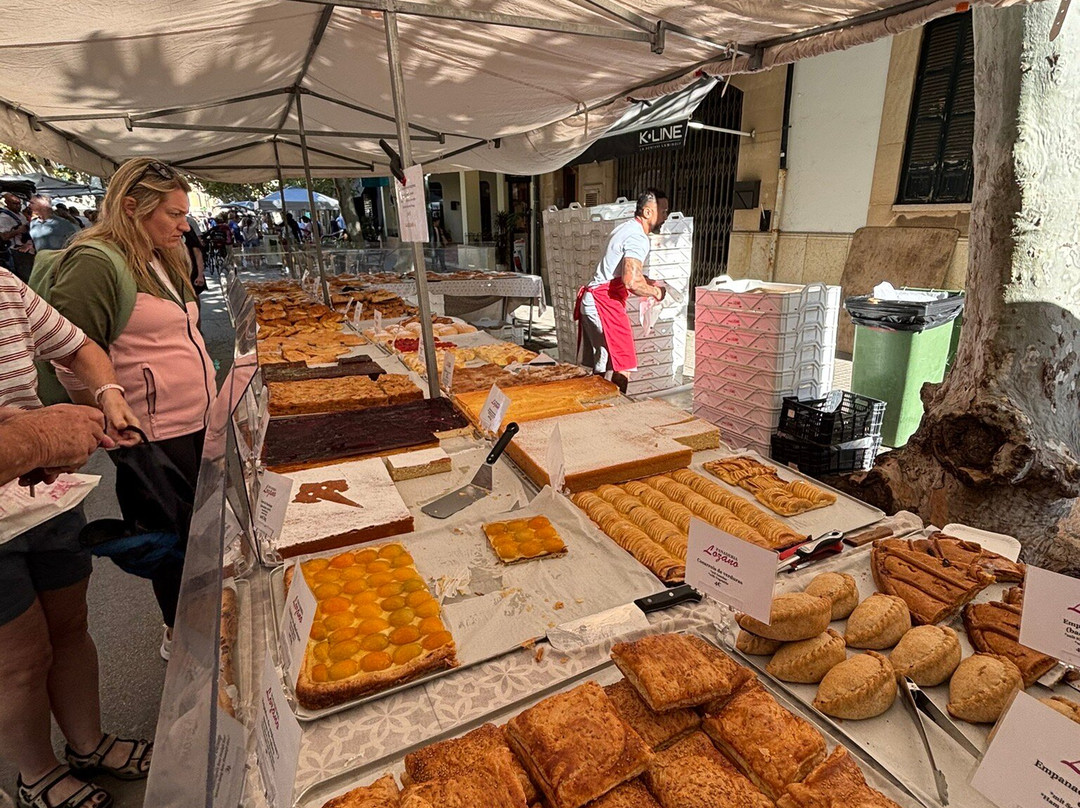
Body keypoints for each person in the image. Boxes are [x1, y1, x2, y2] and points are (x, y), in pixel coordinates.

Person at [30, 158, 218, 660]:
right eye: (174, 214)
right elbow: (71, 353)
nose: (185, 225)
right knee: (172, 540)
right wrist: (108, 414)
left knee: (202, 531)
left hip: (197, 419)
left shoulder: (159, 255)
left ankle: (206, 619)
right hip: (148, 431)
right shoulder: (96, 261)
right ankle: (184, 637)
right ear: (131, 207)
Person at [0, 266, 150, 808]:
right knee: (19, 657)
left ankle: (88, 744)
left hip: (43, 497)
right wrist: (35, 437)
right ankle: (35, 773)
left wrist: (108, 391)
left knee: (70, 624)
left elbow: (78, 344)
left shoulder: (4, 286)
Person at [575, 188, 669, 394]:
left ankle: (594, 405)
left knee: (604, 359)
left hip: (594, 299)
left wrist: (648, 281)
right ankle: (616, 409)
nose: (665, 217)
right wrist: (656, 292)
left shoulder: (625, 228)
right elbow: (631, 281)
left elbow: (621, 272)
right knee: (624, 362)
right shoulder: (638, 237)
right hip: (604, 302)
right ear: (647, 212)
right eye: (663, 211)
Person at [0, 193, 36, 282]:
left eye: (19, 203)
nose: (18, 206)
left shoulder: (20, 215)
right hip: (15, 251)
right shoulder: (3, 217)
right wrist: (18, 231)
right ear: (6, 203)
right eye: (14, 204)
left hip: (27, 249)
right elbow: (4, 236)